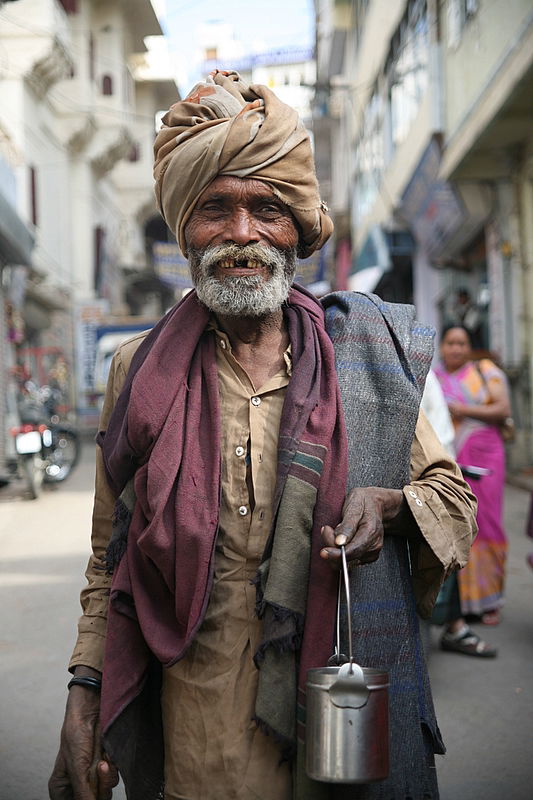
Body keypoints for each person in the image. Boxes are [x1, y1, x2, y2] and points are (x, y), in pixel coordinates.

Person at [49, 71, 477, 800]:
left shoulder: (362, 352)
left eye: (266, 209)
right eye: (215, 208)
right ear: (184, 225)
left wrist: (388, 504)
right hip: (194, 735)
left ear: (298, 228)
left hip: (333, 722)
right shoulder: (138, 371)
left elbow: (452, 499)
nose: (242, 235)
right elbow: (108, 561)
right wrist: (85, 692)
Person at [434, 324, 511, 649]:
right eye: (450, 342)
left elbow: (503, 408)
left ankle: (490, 600)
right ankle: (462, 602)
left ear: (469, 346)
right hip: (452, 458)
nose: (455, 348)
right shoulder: (434, 377)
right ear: (442, 347)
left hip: (487, 455)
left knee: (488, 524)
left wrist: (463, 410)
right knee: (460, 524)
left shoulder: (485, 372)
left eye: (461, 342)